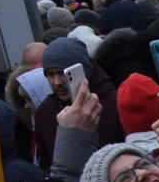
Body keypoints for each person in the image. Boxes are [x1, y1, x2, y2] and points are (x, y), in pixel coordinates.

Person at [34, 36, 124, 169]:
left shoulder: (114, 102)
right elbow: (45, 161)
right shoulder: (44, 112)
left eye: (62, 73)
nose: (57, 82)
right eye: (50, 74)